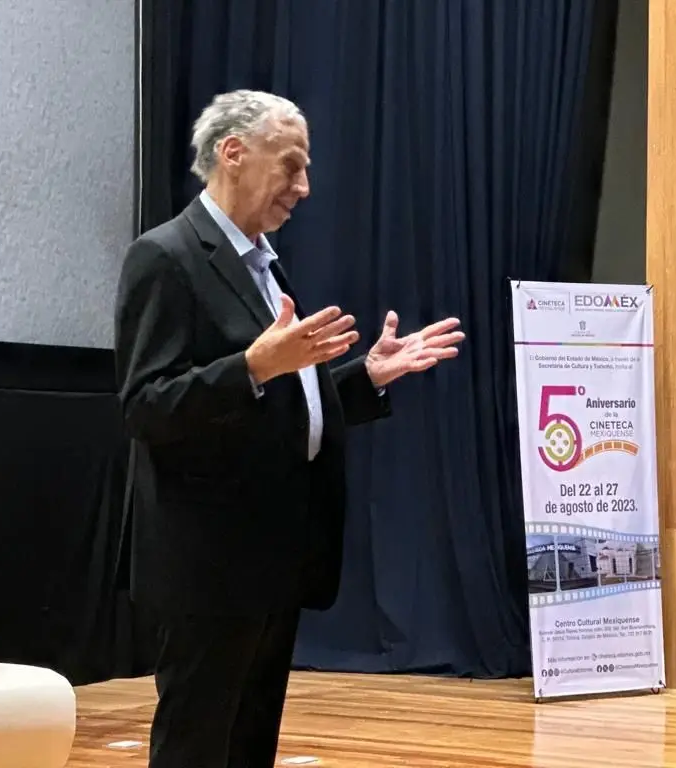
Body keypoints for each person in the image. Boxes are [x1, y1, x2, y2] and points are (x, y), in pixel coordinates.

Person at [113, 89, 464, 768]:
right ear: (233, 154)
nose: (303, 187)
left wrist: (368, 377)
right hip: (207, 561)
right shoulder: (166, 258)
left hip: (270, 555)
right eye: (291, 166)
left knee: (248, 745)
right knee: (196, 744)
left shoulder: (262, 263)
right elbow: (147, 406)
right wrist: (251, 364)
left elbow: (283, 396)